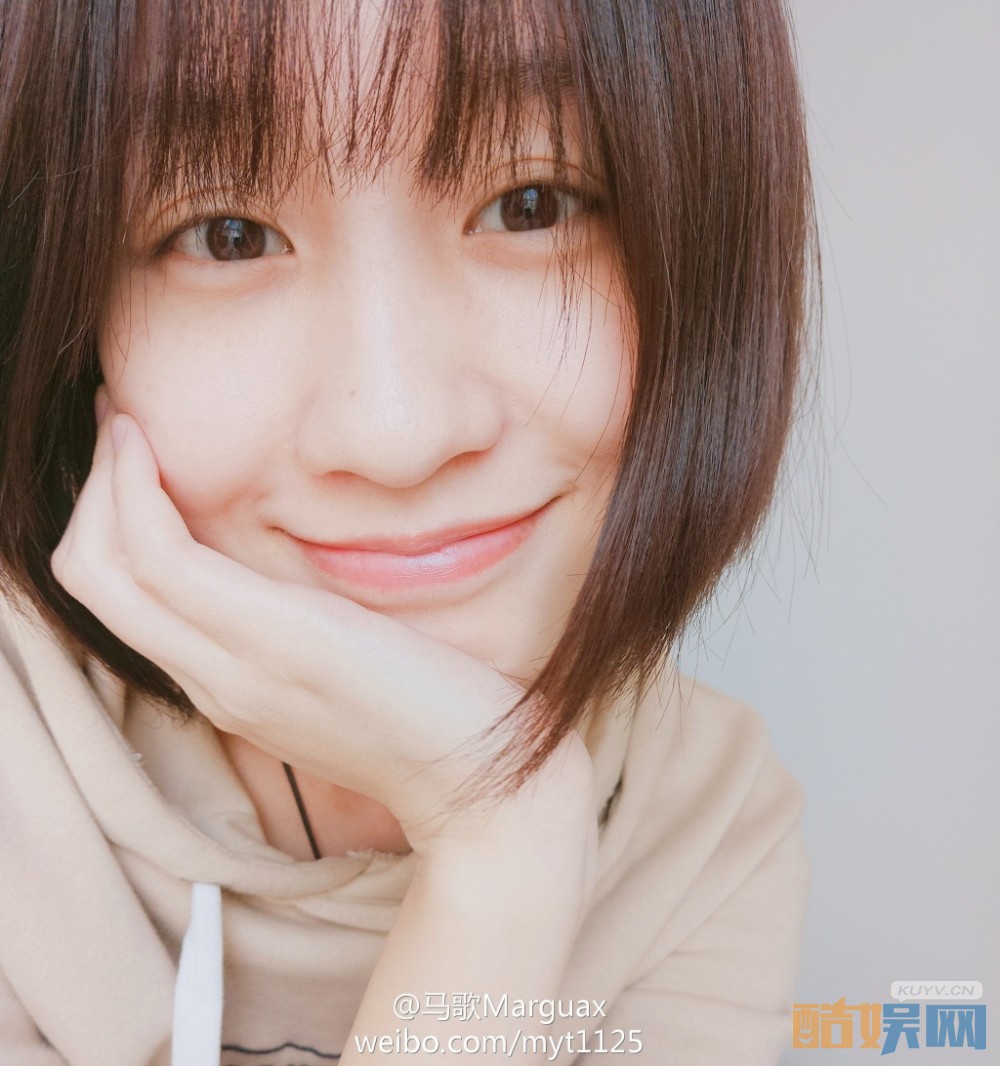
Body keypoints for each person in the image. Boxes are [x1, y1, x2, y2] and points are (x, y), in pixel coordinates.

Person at [0, 0, 816, 1062]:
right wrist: (504, 829)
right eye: (225, 234)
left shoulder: (704, 821)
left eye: (530, 203)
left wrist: (498, 829)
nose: (395, 432)